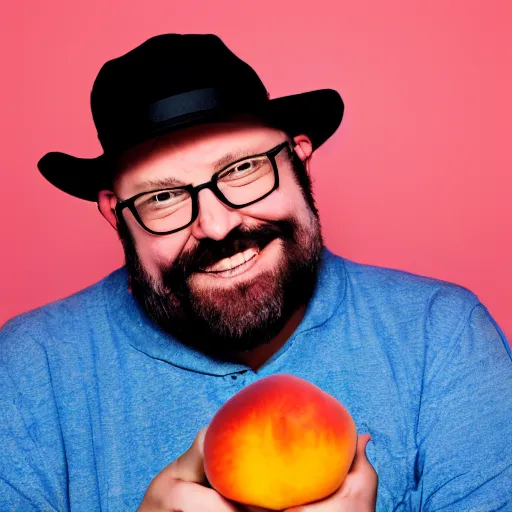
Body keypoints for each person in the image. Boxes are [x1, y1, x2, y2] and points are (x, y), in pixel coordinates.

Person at [1, 33, 511, 512]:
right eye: (163, 197)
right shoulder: (30, 370)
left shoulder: (439, 335)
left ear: (299, 157)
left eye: (243, 169)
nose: (218, 226)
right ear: (116, 214)